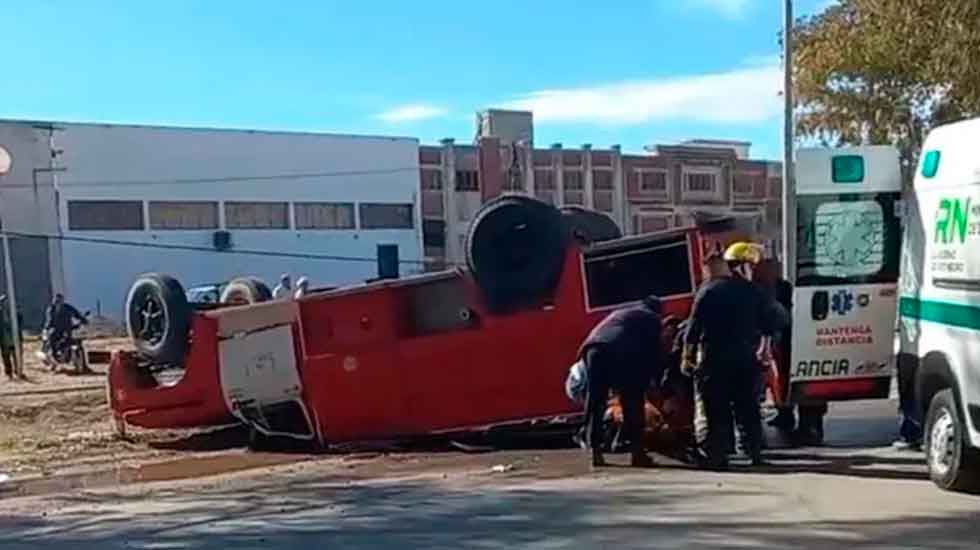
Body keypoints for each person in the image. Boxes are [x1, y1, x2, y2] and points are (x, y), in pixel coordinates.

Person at [683, 254, 788, 469]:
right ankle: (755, 453)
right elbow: (772, 319)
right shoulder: (749, 289)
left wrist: (687, 357)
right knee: (748, 407)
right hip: (744, 357)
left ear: (709, 270)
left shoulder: (707, 291)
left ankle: (719, 457)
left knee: (717, 410)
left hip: (715, 358)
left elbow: (693, 327)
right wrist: (764, 341)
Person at [578, 295, 664, 468]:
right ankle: (637, 453)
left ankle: (595, 451)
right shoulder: (652, 318)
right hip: (618, 351)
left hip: (592, 349)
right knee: (632, 400)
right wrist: (653, 380)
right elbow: (653, 351)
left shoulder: (623, 313)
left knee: (596, 401)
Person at [43, 293, 87, 359]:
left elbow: (76, 313)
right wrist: (48, 327)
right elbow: (50, 319)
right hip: (56, 328)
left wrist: (83, 320)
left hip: (68, 328)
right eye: (57, 300)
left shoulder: (68, 307)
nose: (58, 302)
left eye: (60, 300)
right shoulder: (51, 309)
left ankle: (82, 362)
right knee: (52, 338)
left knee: (75, 341)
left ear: (62, 300)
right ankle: (54, 354)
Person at [0, 296, 17, 380]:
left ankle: (17, 370)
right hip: (4, 338)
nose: (5, 304)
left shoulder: (13, 311)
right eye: (3, 302)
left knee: (16, 355)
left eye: (6, 302)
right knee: (6, 357)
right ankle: (9, 372)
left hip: (14, 338)